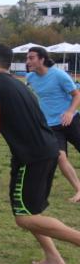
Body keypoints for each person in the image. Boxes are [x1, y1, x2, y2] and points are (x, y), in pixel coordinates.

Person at [0, 42, 80, 264]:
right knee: (29, 210)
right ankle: (53, 257)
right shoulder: (19, 84)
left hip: (32, 157)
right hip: (47, 151)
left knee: (23, 217)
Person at [26, 47, 80, 202]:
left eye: (31, 58)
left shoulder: (59, 75)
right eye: (27, 58)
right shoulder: (31, 78)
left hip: (71, 120)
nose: (28, 61)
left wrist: (69, 112)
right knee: (60, 157)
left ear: (42, 59)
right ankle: (78, 189)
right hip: (51, 125)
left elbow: (76, 95)